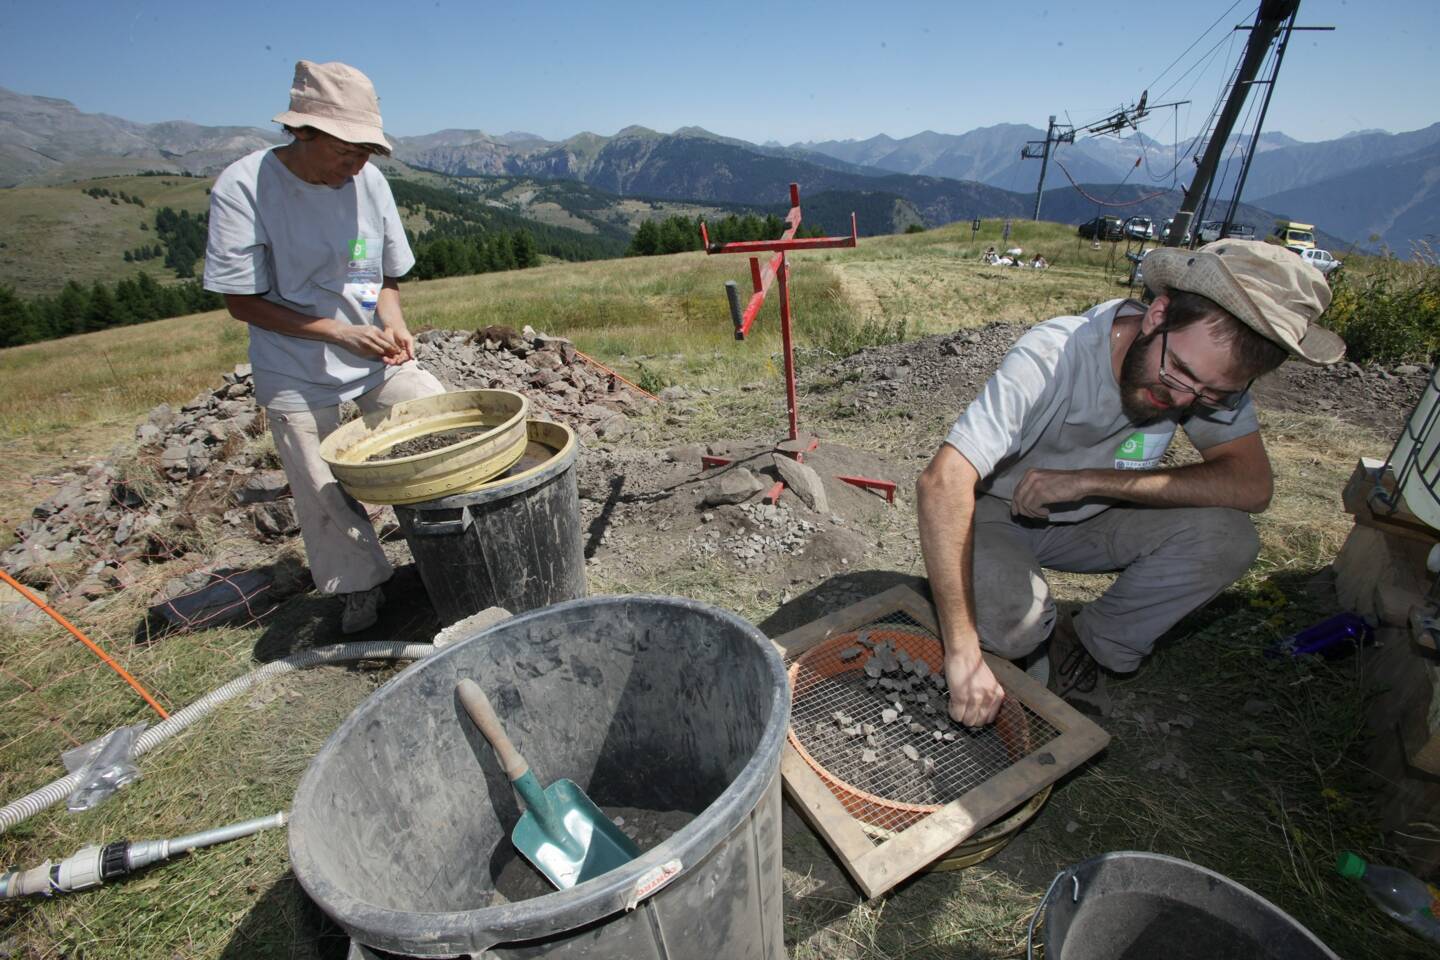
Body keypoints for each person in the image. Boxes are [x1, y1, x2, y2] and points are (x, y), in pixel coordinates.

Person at [916, 240, 1345, 724]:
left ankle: (1084, 641)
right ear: (1157, 315)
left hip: (1094, 517)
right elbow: (942, 482)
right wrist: (962, 653)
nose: (1183, 398)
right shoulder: (1055, 353)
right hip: (997, 512)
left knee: (1230, 537)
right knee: (1017, 627)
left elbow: (1251, 486)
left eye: (1212, 393)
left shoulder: (1205, 379)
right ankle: (1011, 628)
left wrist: (1089, 482)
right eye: (1179, 372)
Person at [203, 60, 446, 633]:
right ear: (303, 132)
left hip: (373, 355)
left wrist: (393, 321)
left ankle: (447, 552)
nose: (357, 163)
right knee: (320, 485)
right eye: (346, 150)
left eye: (367, 151)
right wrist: (338, 331)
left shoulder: (369, 182)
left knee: (439, 421)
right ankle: (360, 586)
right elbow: (243, 303)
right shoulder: (244, 188)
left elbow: (382, 274)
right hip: (294, 364)